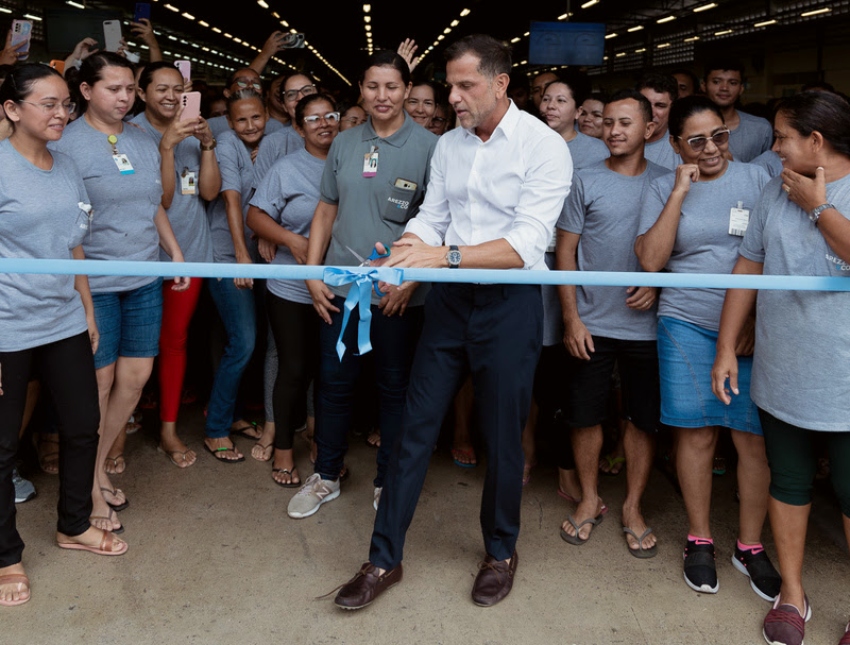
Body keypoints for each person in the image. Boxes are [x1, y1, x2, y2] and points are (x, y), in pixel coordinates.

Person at [332, 34, 571, 610]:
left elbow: (526, 243)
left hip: (510, 306)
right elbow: (433, 216)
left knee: (501, 435)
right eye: (450, 86)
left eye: (466, 86)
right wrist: (402, 252)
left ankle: (500, 551)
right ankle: (383, 558)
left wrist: (441, 258)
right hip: (449, 305)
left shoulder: (543, 147)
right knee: (414, 427)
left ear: (501, 83)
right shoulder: (451, 146)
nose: (454, 98)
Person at [711, 90, 850, 645]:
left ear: (815, 142)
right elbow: (749, 265)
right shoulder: (774, 188)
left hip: (844, 378)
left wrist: (818, 207)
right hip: (783, 370)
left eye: (782, 138)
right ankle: (791, 594)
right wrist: (726, 346)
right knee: (789, 483)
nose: (773, 148)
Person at [634, 95, 780, 599]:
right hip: (686, 320)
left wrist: (756, 317)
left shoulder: (759, 180)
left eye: (720, 136)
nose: (713, 148)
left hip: (748, 327)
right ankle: (700, 540)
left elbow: (776, 253)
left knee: (752, 439)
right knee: (696, 434)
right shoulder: (660, 186)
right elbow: (651, 261)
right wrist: (677, 192)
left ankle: (750, 545)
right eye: (697, 141)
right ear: (675, 144)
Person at [0, 64, 129, 608]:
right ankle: (6, 556)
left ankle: (73, 524)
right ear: (12, 109)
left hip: (64, 320)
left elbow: (75, 244)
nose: (60, 115)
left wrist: (87, 308)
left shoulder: (68, 166)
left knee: (81, 425)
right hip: (7, 327)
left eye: (64, 106)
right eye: (47, 105)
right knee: (3, 445)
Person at [289, 49, 437, 519]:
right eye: (373, 86)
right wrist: (315, 274)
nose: (383, 96)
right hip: (341, 289)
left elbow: (441, 223)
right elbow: (326, 209)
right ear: (361, 89)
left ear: (408, 90)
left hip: (398, 297)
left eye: (392, 86)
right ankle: (326, 476)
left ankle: (388, 480)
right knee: (333, 384)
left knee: (395, 389)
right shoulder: (346, 142)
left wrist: (410, 282)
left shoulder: (433, 148)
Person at [53, 52, 189, 532]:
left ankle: (97, 465)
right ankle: (89, 483)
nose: (125, 97)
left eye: (130, 88)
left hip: (144, 277)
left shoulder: (142, 139)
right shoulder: (66, 145)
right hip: (96, 284)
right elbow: (66, 231)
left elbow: (154, 204)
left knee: (135, 379)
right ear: (86, 91)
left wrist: (173, 253)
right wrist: (84, 302)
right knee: (99, 385)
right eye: (114, 88)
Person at [556, 90, 669, 556]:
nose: (615, 130)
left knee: (641, 420)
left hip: (647, 327)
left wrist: (658, 286)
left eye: (626, 122)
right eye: (608, 122)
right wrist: (571, 318)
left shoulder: (668, 182)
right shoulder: (583, 180)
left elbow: (682, 252)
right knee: (585, 417)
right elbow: (564, 252)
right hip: (593, 323)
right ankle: (589, 498)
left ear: (649, 129)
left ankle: (633, 506)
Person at [129, 61, 220, 469]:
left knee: (174, 342)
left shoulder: (193, 126)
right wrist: (166, 145)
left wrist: (207, 145)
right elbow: (161, 202)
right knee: (134, 348)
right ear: (141, 91)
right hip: (147, 256)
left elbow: (209, 191)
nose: (170, 96)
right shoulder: (132, 133)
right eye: (161, 88)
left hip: (192, 252)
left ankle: (167, 429)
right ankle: (121, 423)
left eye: (178, 88)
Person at [246, 93, 340, 486]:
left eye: (330, 116)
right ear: (298, 128)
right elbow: (255, 215)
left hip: (339, 286)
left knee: (331, 370)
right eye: (313, 119)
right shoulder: (287, 168)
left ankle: (323, 442)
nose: (324, 124)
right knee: (294, 368)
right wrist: (291, 239)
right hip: (291, 285)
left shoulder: (352, 162)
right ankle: (283, 447)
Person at [204, 88, 270, 462]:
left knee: (254, 341)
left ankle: (236, 415)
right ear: (229, 122)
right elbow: (231, 199)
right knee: (242, 340)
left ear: (267, 117)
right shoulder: (227, 143)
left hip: (263, 254)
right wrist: (241, 256)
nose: (250, 125)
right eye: (241, 119)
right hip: (229, 254)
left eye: (255, 117)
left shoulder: (273, 142)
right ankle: (215, 428)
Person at [702, 59, 772, 162]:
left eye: (733, 83)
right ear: (704, 85)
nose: (724, 88)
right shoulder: (687, 127)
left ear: (741, 88)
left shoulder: (761, 128)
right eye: (716, 82)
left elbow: (769, 170)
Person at [637, 72, 682, 170]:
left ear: (672, 109)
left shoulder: (680, 147)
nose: (651, 113)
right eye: (645, 104)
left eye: (660, 106)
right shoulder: (617, 140)